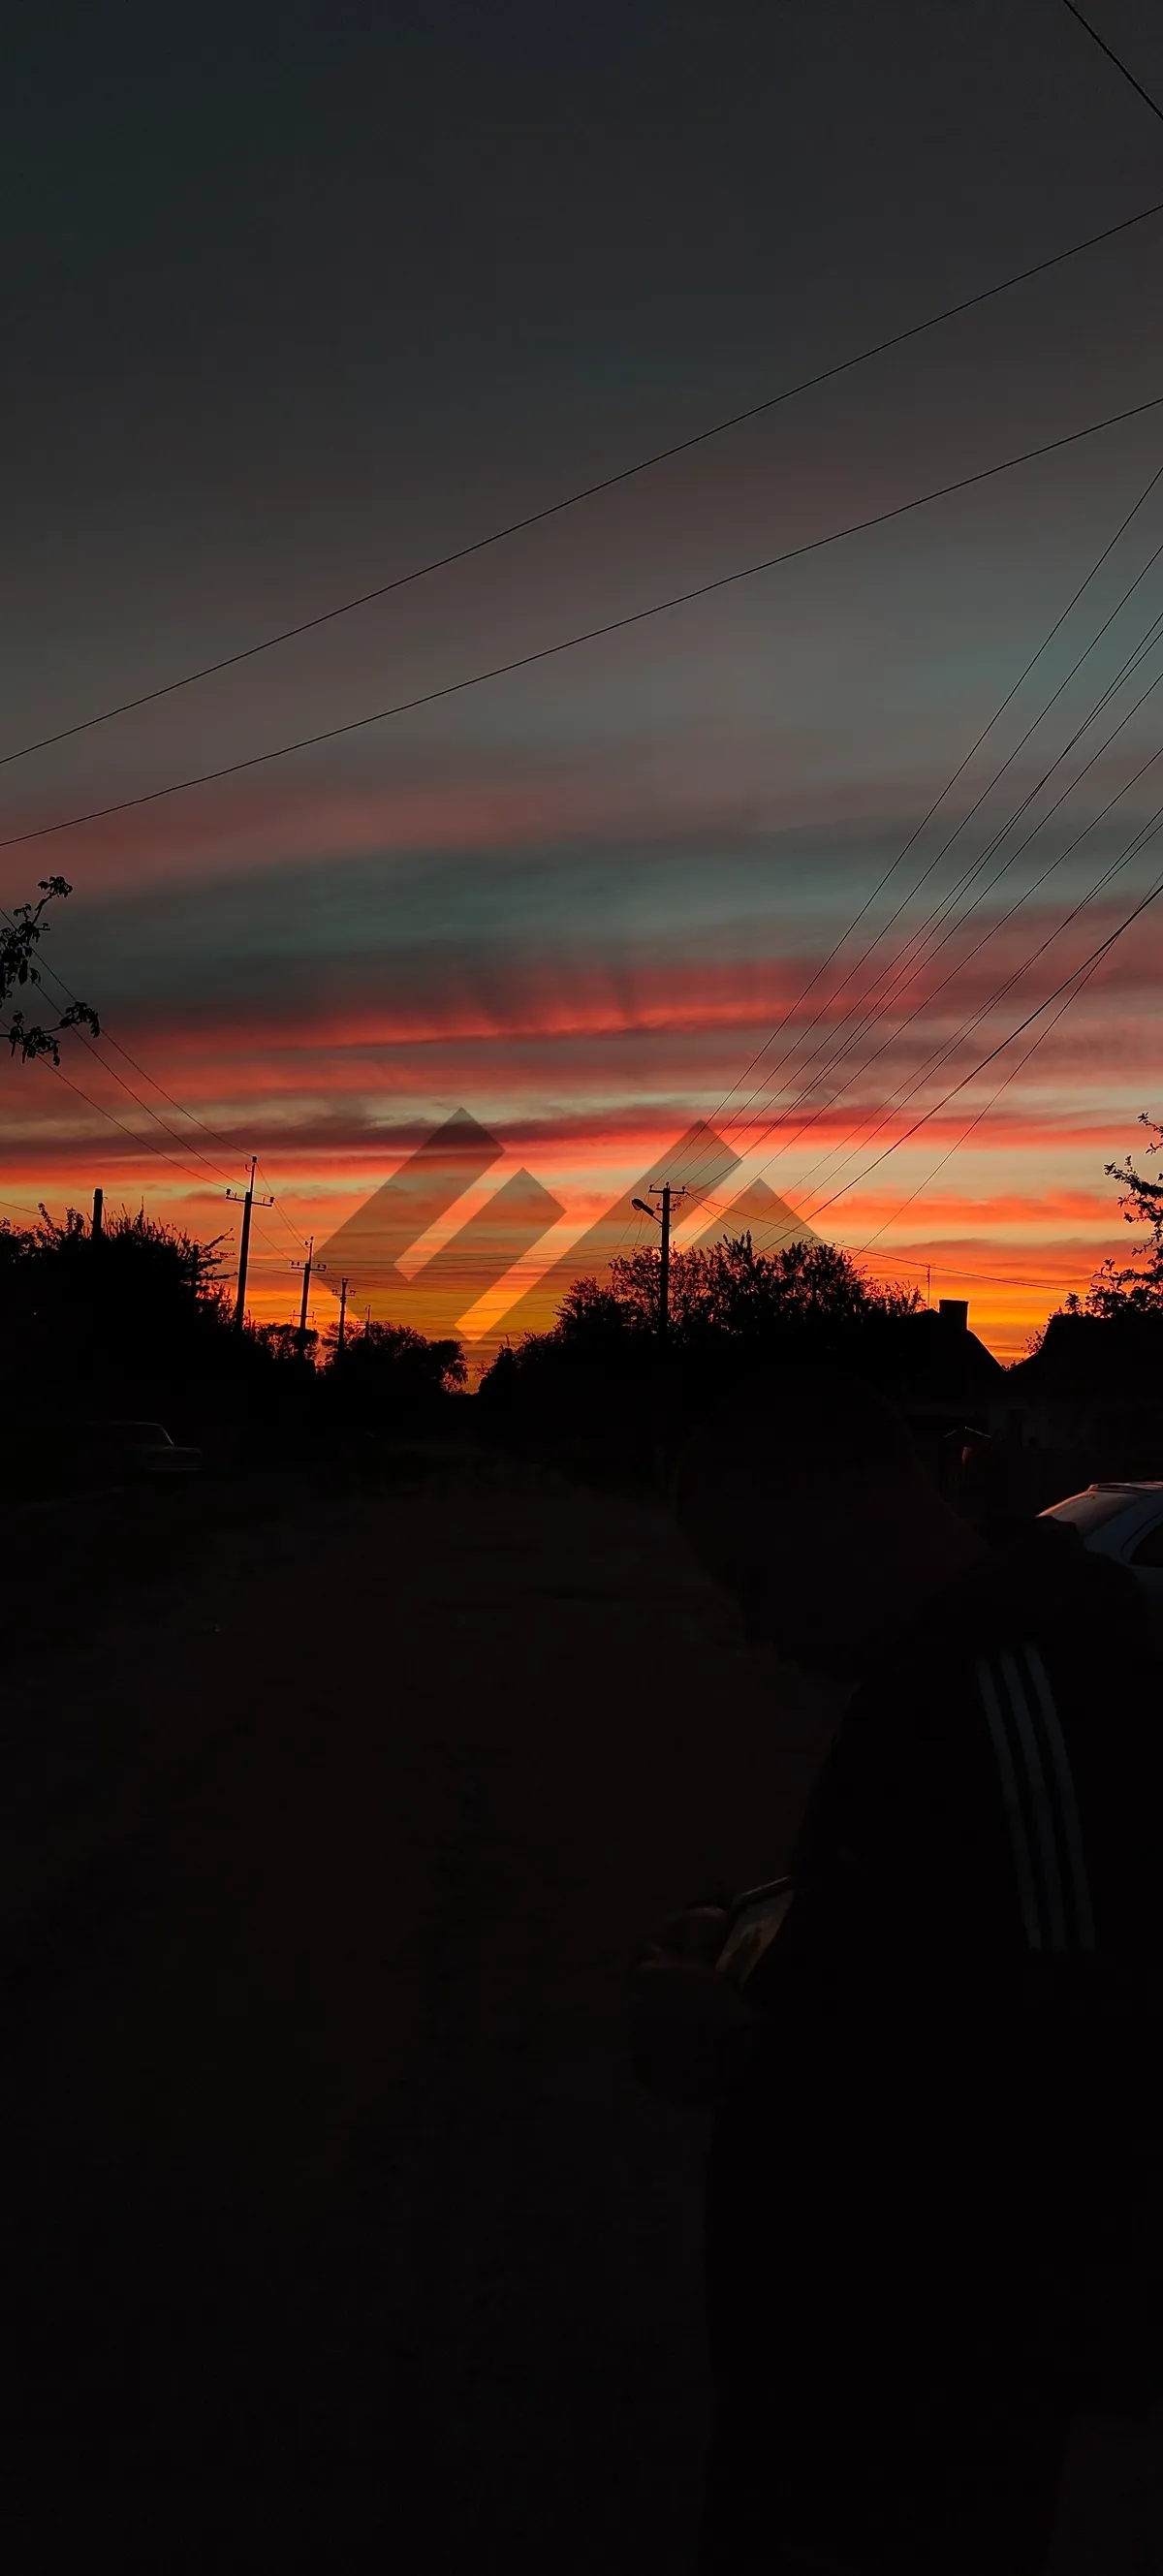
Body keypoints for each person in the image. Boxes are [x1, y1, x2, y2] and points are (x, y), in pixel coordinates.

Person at [630, 1369, 1163, 2575]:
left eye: (756, 1584)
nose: (754, 1632)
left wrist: (736, 2053)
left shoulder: (1018, 1677)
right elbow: (951, 1946)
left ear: (854, 1512)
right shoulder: (940, 1676)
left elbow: (1076, 2074)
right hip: (853, 2387)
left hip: (932, 2410)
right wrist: (758, 1927)